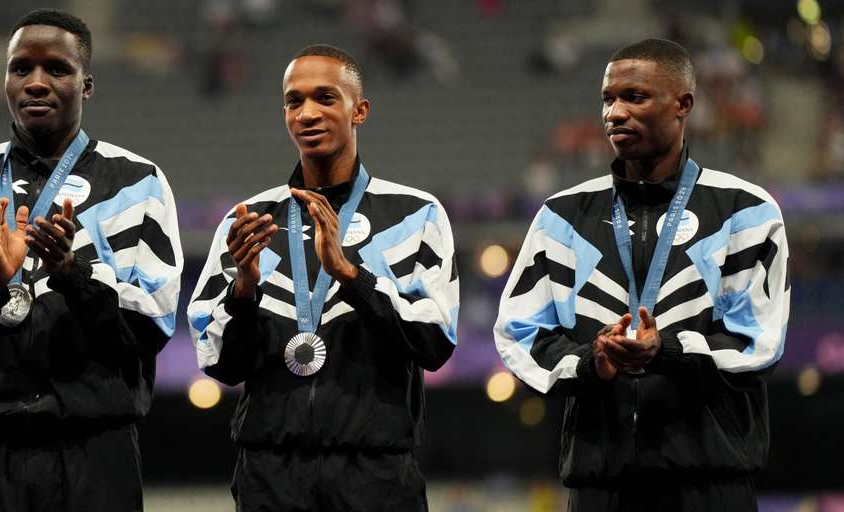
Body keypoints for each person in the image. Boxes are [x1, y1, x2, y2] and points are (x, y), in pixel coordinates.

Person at [0, 9, 182, 512]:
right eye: (21, 68)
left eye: (57, 69)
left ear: (87, 85)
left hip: (95, 455)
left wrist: (74, 274)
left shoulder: (138, 184)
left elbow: (152, 326)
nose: (36, 83)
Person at [494, 38, 790, 511]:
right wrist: (593, 362)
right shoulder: (563, 217)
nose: (614, 113)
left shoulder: (745, 211)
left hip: (710, 485)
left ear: (683, 104)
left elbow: (758, 341)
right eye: (608, 99)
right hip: (601, 488)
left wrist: (667, 349)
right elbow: (518, 334)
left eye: (634, 97)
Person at [187, 44, 458, 511]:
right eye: (294, 101)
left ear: (360, 110)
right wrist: (244, 292)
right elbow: (222, 366)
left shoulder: (415, 215)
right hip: (270, 475)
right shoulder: (250, 222)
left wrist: (349, 275)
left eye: (325, 98)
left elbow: (434, 346)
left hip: (376, 473)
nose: (307, 113)